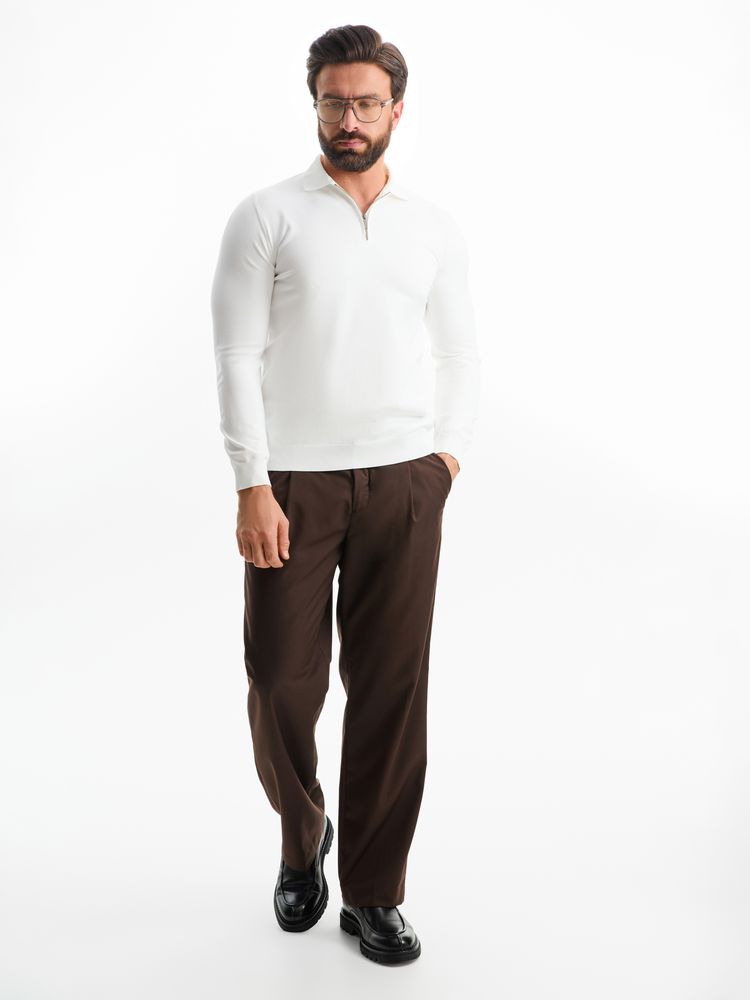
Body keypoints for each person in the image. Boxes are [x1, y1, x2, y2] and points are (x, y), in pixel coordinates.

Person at [210, 23, 480, 965]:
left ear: (397, 109)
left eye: (367, 103)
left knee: (392, 688)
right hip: (293, 482)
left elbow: (461, 354)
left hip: (405, 481)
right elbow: (235, 354)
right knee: (281, 680)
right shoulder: (267, 215)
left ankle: (373, 891)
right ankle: (303, 837)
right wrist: (253, 483)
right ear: (315, 106)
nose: (350, 119)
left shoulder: (431, 227)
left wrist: (444, 462)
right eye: (335, 103)